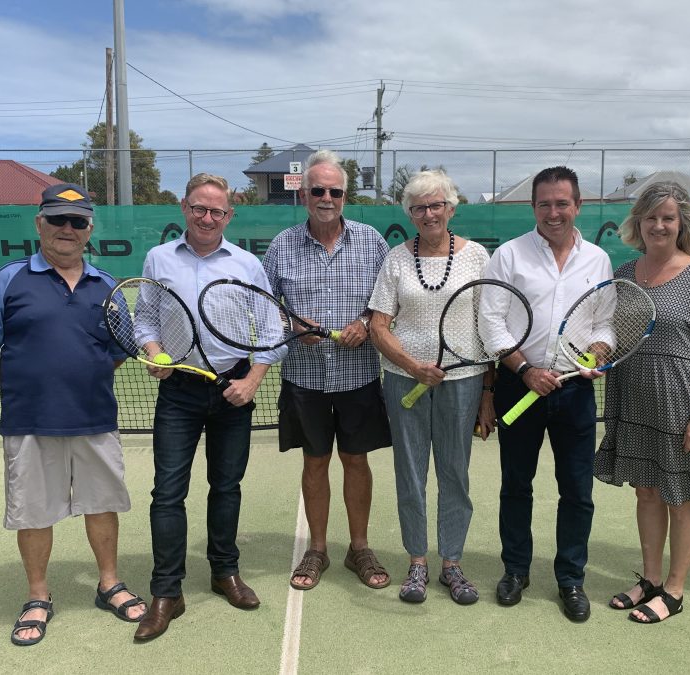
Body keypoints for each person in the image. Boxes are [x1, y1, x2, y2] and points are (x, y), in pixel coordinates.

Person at [0, 183, 146, 647]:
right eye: (57, 220)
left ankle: (109, 582)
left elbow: (119, 350)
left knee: (103, 505)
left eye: (78, 222)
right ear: (39, 224)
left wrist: (78, 378)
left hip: (94, 419)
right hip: (29, 421)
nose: (67, 229)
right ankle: (37, 596)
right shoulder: (8, 281)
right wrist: (23, 385)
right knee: (33, 512)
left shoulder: (107, 286)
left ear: (89, 229)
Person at [134, 173, 278, 642]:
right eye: (200, 208)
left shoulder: (248, 264)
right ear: (184, 208)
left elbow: (270, 330)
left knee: (227, 487)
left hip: (233, 388)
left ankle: (224, 573)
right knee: (167, 493)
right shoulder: (158, 259)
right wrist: (155, 351)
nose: (207, 217)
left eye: (217, 211)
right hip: (178, 389)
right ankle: (166, 592)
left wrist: (253, 380)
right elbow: (146, 318)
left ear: (229, 216)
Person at [593, 182, 690, 623]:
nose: (658, 225)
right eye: (650, 217)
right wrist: (597, 355)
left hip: (681, 405)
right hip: (632, 399)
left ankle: (674, 591)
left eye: (668, 218)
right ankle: (651, 579)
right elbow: (612, 336)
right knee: (647, 491)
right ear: (638, 223)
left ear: (682, 224)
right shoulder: (624, 273)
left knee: (680, 497)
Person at [479, 166, 612, 622]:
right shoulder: (509, 256)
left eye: (562, 203)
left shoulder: (597, 260)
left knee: (577, 491)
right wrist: (525, 368)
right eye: (544, 204)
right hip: (520, 385)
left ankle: (570, 578)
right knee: (516, 485)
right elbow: (491, 321)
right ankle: (515, 570)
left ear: (577, 205)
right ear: (533, 207)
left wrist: (597, 352)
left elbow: (604, 323)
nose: (553, 212)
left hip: (575, 392)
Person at [263, 149, 393, 592]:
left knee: (356, 461)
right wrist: (294, 327)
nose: (326, 198)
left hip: (358, 377)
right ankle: (317, 548)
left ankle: (359, 548)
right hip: (305, 379)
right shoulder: (282, 245)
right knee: (315, 462)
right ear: (304, 194)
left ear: (344, 196)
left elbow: (386, 302)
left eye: (334, 191)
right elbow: (267, 308)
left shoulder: (373, 241)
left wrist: (363, 323)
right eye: (317, 190)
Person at [368, 170, 494, 605]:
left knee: (455, 473)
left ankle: (452, 564)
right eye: (419, 207)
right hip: (405, 381)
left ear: (451, 208)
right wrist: (411, 364)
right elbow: (378, 326)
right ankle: (418, 562)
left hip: (465, 381)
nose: (428, 214)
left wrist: (488, 396)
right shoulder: (396, 260)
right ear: (411, 213)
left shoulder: (477, 256)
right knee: (411, 474)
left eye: (436, 205)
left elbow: (488, 326)